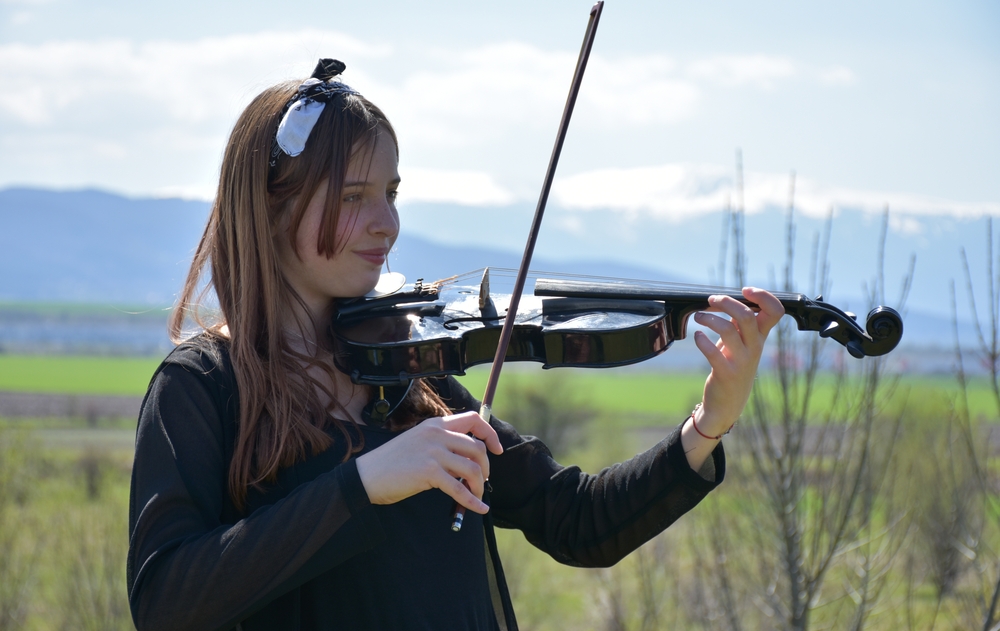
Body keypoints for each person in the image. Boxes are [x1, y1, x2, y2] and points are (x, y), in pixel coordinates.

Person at [126, 58, 784, 631]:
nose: (387, 223)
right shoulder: (203, 386)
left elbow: (579, 520)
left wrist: (708, 424)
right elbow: (164, 599)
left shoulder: (407, 374)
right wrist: (363, 484)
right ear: (272, 204)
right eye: (355, 196)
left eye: (390, 192)